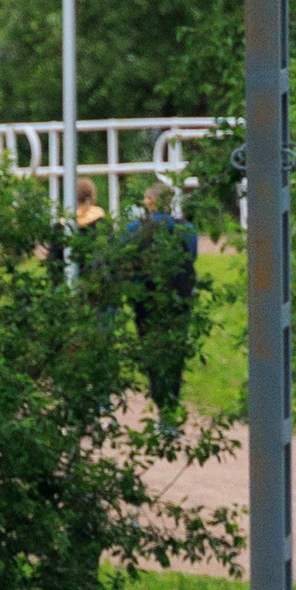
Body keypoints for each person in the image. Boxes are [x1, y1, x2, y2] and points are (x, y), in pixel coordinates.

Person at [125, 181, 201, 424]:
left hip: (145, 300)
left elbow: (125, 259)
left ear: (149, 201)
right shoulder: (186, 230)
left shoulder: (135, 229)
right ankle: (170, 407)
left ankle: (160, 403)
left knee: (151, 351)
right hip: (178, 298)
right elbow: (191, 257)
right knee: (174, 354)